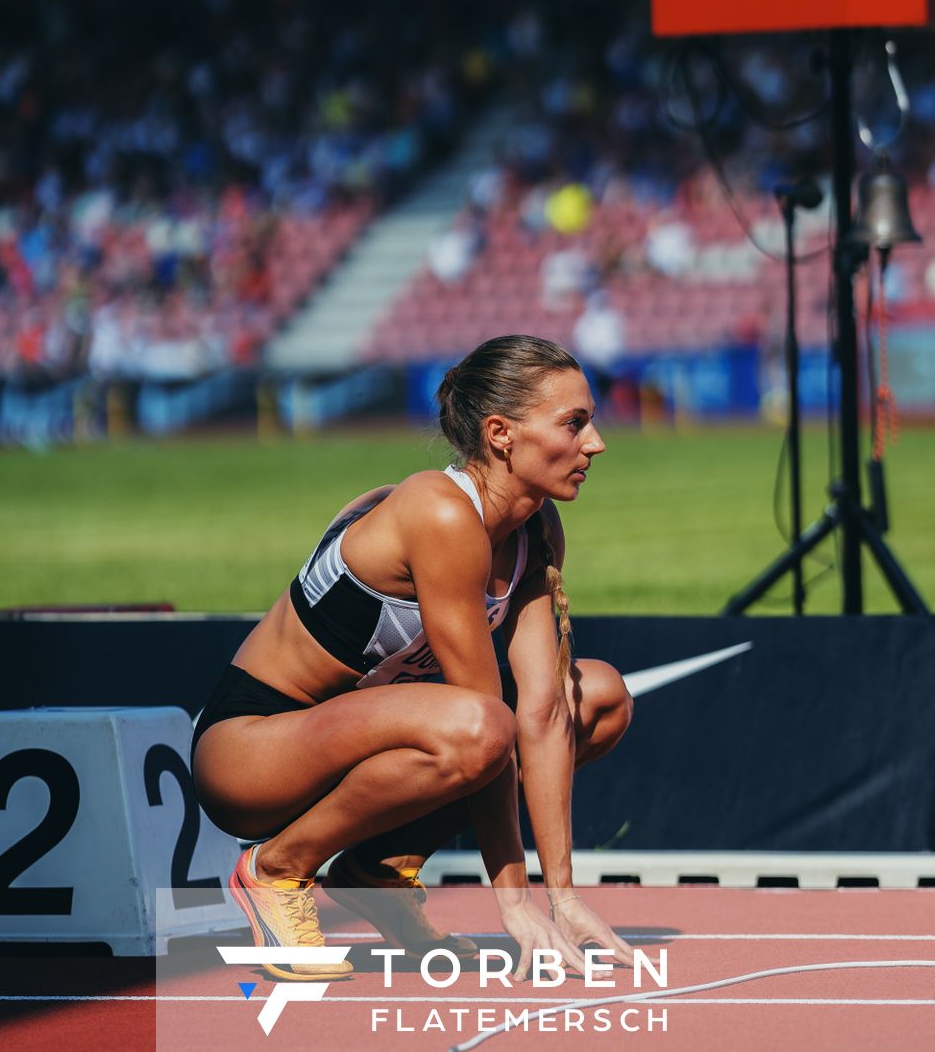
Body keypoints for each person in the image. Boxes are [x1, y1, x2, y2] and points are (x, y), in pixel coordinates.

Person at [191, 334, 634, 984]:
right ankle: (277, 868)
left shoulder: (535, 529)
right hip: (252, 756)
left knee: (596, 697)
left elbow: (540, 713)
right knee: (480, 728)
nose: (595, 443)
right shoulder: (439, 511)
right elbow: (486, 722)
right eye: (574, 423)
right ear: (500, 433)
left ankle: (378, 870)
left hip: (369, 756)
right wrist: (514, 904)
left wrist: (560, 898)